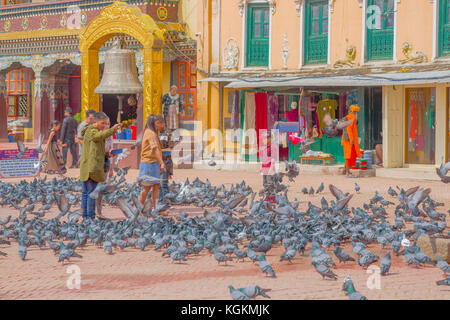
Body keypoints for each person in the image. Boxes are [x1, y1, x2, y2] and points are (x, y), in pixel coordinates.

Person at [79, 112, 121, 221]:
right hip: (90, 168)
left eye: (107, 123)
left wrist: (108, 154)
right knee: (91, 194)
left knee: (86, 193)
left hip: (91, 166)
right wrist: (112, 130)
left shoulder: (96, 132)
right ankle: (90, 217)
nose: (105, 125)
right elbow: (98, 136)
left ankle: (85, 216)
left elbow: (97, 151)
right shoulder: (91, 131)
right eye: (103, 123)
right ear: (95, 122)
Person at [138, 114, 166, 214]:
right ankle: (138, 210)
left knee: (156, 186)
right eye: (158, 123)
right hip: (148, 164)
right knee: (146, 187)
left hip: (154, 163)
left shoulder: (154, 132)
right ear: (153, 124)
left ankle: (155, 209)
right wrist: (162, 162)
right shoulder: (150, 133)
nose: (161, 125)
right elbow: (155, 149)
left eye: (161, 123)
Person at [342, 105, 361, 177]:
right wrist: (351, 140)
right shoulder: (351, 117)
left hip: (348, 140)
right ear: (354, 112)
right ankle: (347, 173)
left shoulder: (349, 117)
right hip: (349, 141)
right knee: (348, 157)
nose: (357, 114)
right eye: (357, 112)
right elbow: (348, 129)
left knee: (350, 156)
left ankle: (347, 171)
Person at [260, 131, 277, 202]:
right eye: (263, 139)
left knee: (270, 183)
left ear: (270, 139)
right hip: (264, 168)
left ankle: (272, 198)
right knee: (265, 183)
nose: (263, 140)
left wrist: (271, 168)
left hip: (270, 169)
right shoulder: (265, 147)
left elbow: (273, 159)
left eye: (265, 138)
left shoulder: (272, 147)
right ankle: (266, 195)